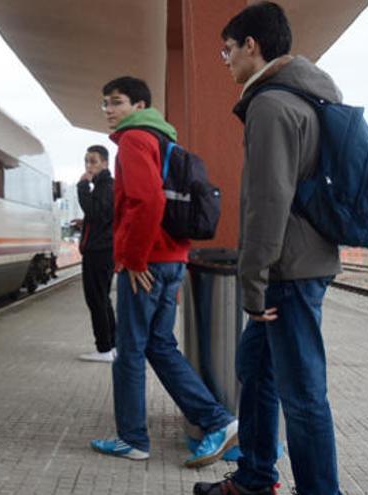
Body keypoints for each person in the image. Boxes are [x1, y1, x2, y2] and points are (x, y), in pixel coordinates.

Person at [194, 3, 343, 494]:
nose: (227, 59)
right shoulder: (301, 98)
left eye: (228, 49)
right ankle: (255, 477)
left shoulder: (271, 105)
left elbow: (267, 203)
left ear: (251, 47)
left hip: (288, 273)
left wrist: (252, 288)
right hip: (297, 264)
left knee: (302, 396)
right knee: (254, 372)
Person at [89, 76, 237, 467]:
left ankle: (132, 439)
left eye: (116, 102)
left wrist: (134, 259)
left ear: (139, 106)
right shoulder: (165, 140)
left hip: (147, 265)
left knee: (130, 352)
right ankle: (218, 421)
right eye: (105, 103)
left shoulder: (136, 140)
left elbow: (148, 200)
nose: (109, 110)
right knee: (159, 345)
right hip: (172, 261)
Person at [76, 145, 117, 362]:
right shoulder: (105, 186)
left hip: (99, 252)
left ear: (105, 163)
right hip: (103, 250)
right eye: (86, 161)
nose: (89, 166)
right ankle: (112, 344)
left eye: (93, 161)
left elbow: (94, 211)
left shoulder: (105, 186)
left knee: (96, 300)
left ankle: (104, 349)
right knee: (103, 299)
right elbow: (101, 216)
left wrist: (82, 186)